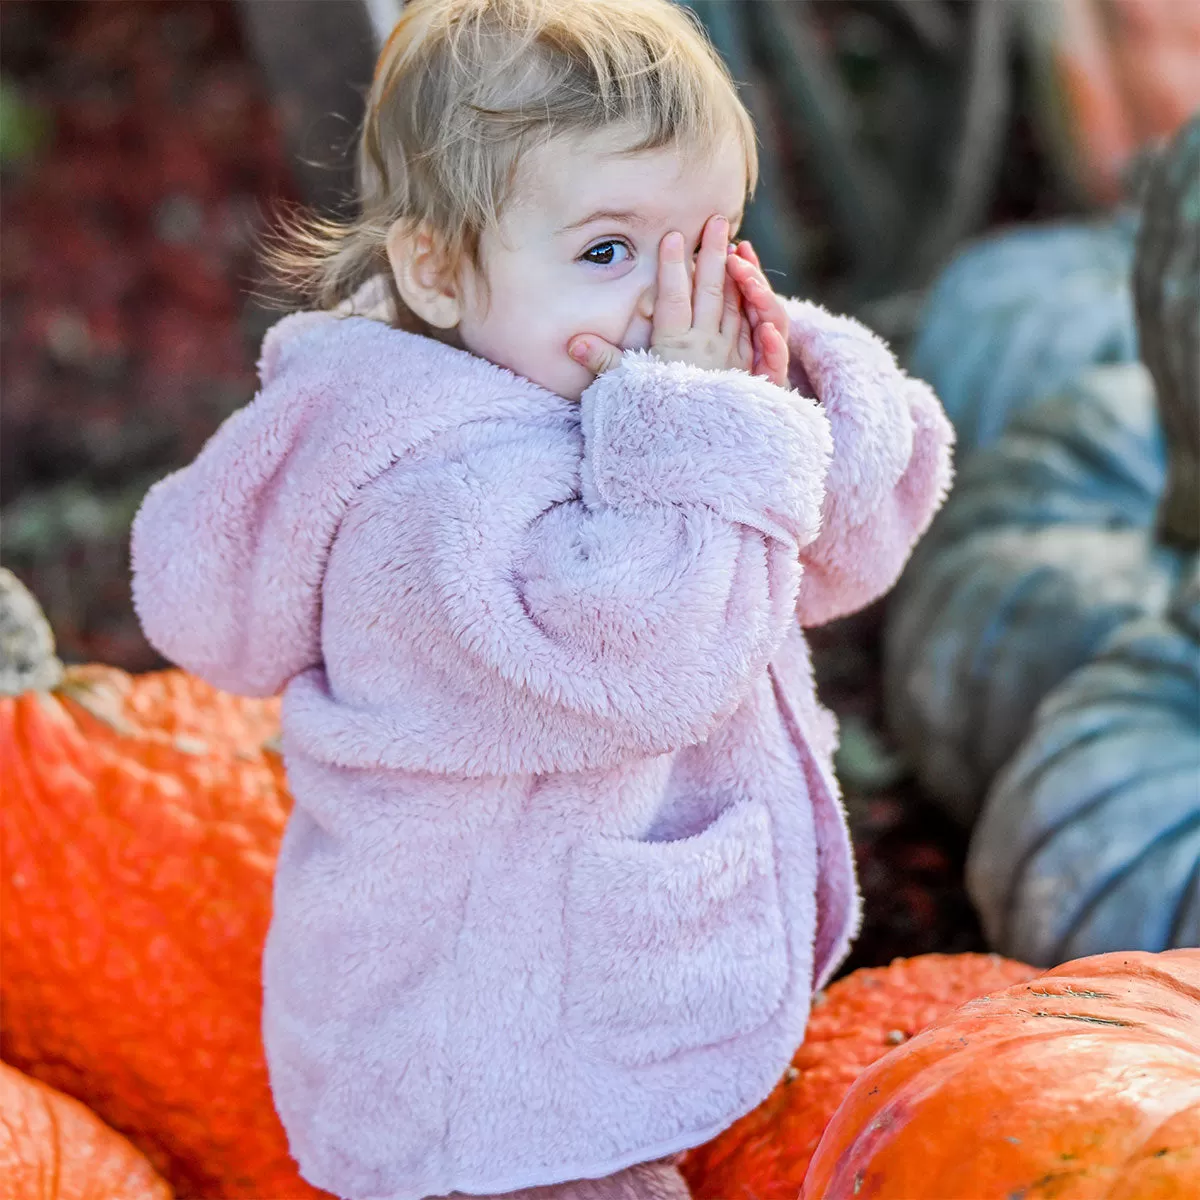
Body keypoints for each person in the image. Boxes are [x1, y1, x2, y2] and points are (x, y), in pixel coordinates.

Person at [129, 1, 954, 1197]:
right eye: (611, 252)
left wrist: (793, 380)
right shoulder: (423, 499)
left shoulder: (626, 395)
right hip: (476, 1068)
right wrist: (711, 425)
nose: (667, 306)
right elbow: (644, 662)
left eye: (706, 244)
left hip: (589, 1011)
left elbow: (846, 544)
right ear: (437, 267)